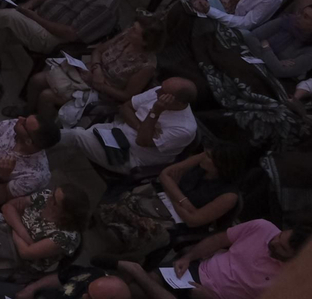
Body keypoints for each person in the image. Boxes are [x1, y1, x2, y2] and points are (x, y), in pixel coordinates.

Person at [97, 146, 263, 257]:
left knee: (147, 229)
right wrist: (183, 201)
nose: (204, 155)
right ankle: (117, 231)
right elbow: (165, 174)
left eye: (210, 157)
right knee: (130, 200)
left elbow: (193, 220)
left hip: (179, 223)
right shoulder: (202, 159)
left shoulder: (229, 196)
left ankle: (124, 251)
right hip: (165, 202)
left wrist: (172, 194)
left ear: (222, 165)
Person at [25, 16, 161, 122]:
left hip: (103, 93)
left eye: (134, 30)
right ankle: (28, 112)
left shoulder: (146, 66)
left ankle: (41, 129)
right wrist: (97, 69)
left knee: (47, 96)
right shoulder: (125, 37)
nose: (129, 30)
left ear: (145, 42)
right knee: (37, 80)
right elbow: (98, 51)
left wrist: (98, 84)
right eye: (132, 26)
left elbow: (126, 95)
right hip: (89, 71)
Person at [58, 77, 197, 174]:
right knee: (71, 140)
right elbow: (126, 107)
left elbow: (141, 140)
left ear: (178, 102)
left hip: (129, 156)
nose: (157, 91)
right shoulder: (159, 91)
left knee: (76, 135)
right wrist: (141, 127)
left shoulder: (184, 128)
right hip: (116, 132)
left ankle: (44, 143)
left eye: (163, 92)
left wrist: (155, 112)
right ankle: (47, 163)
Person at [159, 220, 308, 299]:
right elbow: (218, 240)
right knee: (153, 280)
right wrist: (188, 257)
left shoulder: (291, 281)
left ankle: (143, 276)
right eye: (279, 235)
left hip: (216, 296)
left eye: (282, 248)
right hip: (198, 272)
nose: (274, 242)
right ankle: (144, 277)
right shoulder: (263, 227)